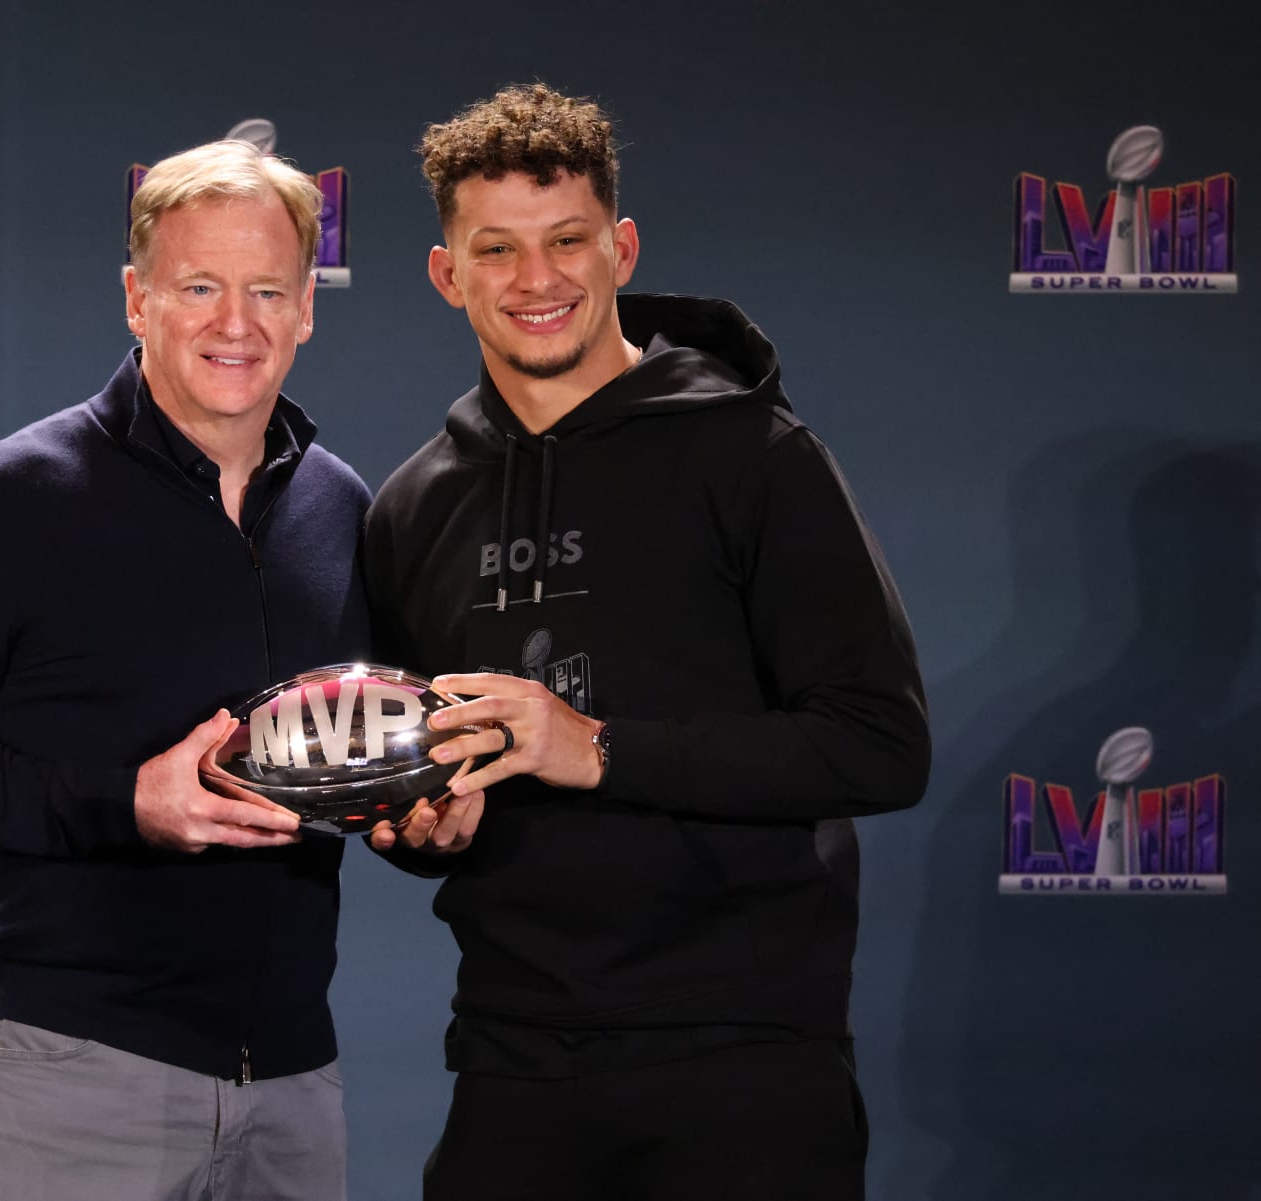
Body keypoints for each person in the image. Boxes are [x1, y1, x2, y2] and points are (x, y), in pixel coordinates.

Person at [364, 84, 931, 1201]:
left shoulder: (756, 455)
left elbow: (879, 744)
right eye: (498, 249)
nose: (538, 280)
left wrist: (604, 748)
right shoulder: (411, 507)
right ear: (448, 275)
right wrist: (421, 826)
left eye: (567, 240)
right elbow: (418, 779)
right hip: (512, 1055)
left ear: (619, 248)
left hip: (743, 1056)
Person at [0, 139, 370, 1201]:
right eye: (199, 287)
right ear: (137, 300)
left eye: (269, 288)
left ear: (308, 307)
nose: (238, 322)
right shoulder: (10, 497)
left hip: (296, 1084)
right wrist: (123, 804)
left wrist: (422, 808)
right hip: (77, 1074)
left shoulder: (341, 506)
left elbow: (354, 749)